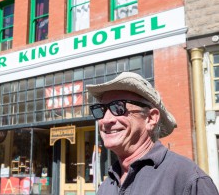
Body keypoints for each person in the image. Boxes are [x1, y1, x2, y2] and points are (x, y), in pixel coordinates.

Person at [87, 72, 219, 195]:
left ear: (151, 119)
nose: (106, 120)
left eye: (118, 108)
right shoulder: (107, 185)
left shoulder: (187, 179)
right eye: (101, 110)